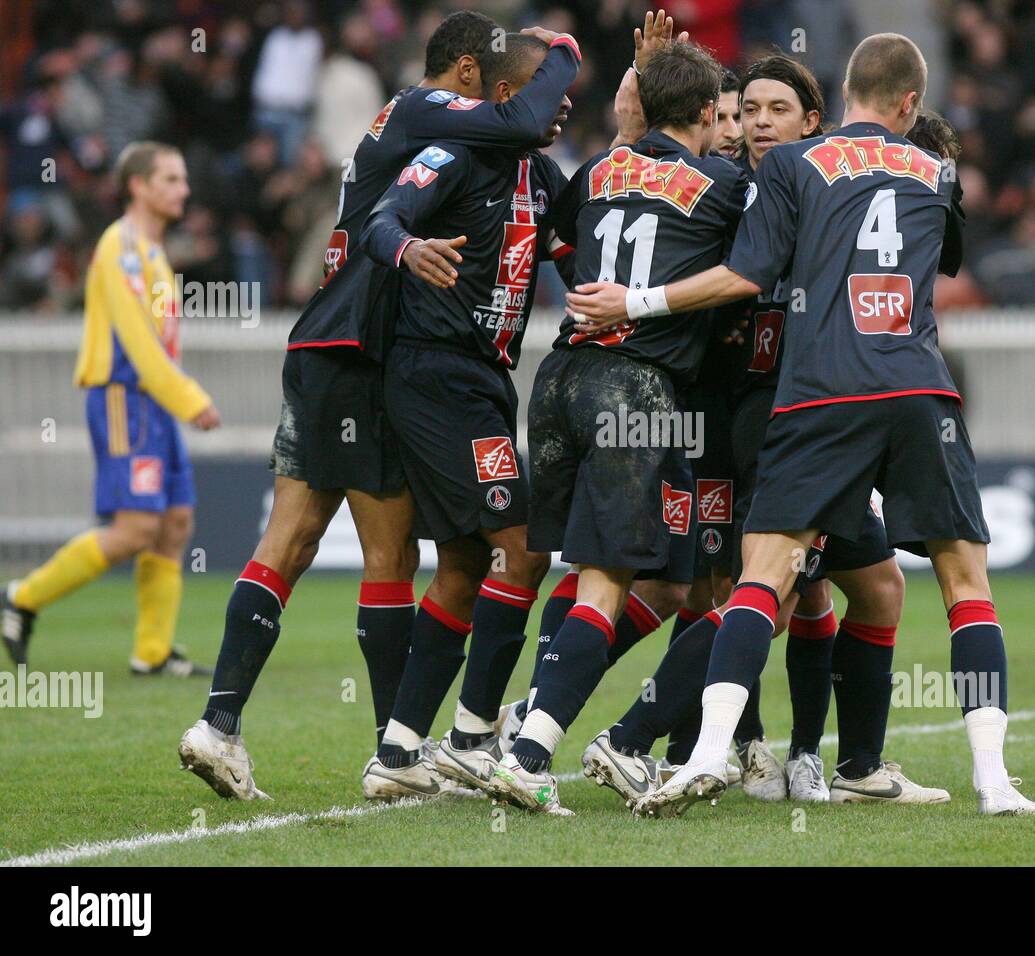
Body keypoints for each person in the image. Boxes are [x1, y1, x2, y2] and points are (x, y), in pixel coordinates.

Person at [568, 33, 1035, 818]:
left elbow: (751, 274)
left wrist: (637, 300)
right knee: (964, 585)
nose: (756, 123)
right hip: (918, 387)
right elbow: (941, 257)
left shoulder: (792, 167)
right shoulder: (938, 171)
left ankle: (711, 754)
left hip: (819, 391)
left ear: (837, 97)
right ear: (910, 105)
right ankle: (992, 781)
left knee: (766, 580)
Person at [177, 11, 580, 802]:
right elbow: (525, 117)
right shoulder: (430, 115)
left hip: (330, 341)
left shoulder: (418, 131)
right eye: (503, 90)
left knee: (295, 539)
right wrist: (563, 47)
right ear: (470, 75)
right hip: (367, 347)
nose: (528, 112)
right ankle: (398, 751)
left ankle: (223, 727)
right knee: (393, 557)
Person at [488, 39, 749, 815]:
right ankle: (530, 752)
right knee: (605, 581)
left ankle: (522, 723)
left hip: (559, 377)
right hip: (633, 392)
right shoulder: (722, 182)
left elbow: (560, 241)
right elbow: (752, 264)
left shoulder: (601, 168)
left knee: (614, 576)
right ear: (708, 113)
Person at [356, 32, 574, 801]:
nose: (563, 107)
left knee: (464, 563)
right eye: (549, 93)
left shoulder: (545, 176)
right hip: (434, 373)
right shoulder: (452, 154)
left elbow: (589, 246)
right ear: (508, 99)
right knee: (522, 548)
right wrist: (407, 250)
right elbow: (381, 218)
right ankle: (475, 737)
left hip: (485, 380)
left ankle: (399, 751)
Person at [2, 141, 219, 678]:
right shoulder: (119, 248)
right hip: (127, 398)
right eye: (171, 179)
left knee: (174, 523)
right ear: (138, 186)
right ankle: (20, 597)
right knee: (133, 529)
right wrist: (189, 398)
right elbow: (140, 344)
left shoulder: (150, 250)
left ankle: (151, 653)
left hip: (153, 402)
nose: (183, 189)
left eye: (183, 178)